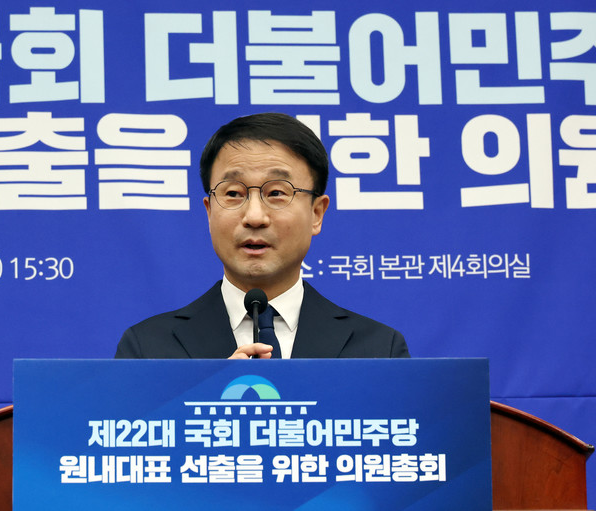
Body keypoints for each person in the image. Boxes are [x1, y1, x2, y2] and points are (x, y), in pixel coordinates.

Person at [115, 113, 409, 360]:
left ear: (317, 213)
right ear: (209, 211)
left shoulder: (379, 351)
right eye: (233, 193)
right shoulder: (147, 349)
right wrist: (210, 394)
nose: (254, 216)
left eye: (277, 192)